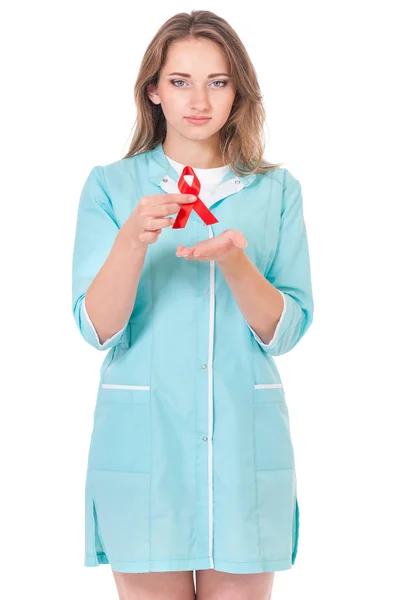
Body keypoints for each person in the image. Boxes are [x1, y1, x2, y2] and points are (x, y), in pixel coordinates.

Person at [71, 9, 314, 600]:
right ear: (153, 89)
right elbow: (96, 327)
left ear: (239, 92)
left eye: (218, 81)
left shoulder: (276, 191)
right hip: (145, 447)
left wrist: (235, 261)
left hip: (242, 446)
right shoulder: (111, 186)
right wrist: (131, 240)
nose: (198, 100)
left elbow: (287, 329)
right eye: (179, 81)